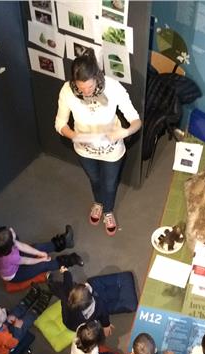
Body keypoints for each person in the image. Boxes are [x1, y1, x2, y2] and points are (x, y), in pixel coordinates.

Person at [54, 48, 142, 235]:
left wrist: (124, 132)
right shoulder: (67, 91)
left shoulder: (113, 88)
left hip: (111, 150)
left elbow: (136, 121)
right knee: (94, 179)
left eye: (90, 87)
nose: (85, 92)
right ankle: (98, 203)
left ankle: (108, 211)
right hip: (84, 149)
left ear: (97, 77)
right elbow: (60, 123)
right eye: (81, 88)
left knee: (109, 184)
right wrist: (74, 136)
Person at [0, 225, 82, 283]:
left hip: (14, 261)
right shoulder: (11, 257)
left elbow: (23, 246)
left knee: (37, 246)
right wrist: (41, 259)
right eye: (10, 232)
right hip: (16, 274)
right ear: (11, 245)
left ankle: (65, 242)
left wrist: (39, 253)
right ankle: (69, 260)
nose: (11, 229)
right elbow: (27, 261)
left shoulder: (6, 246)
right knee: (42, 265)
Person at [48, 267, 113, 334]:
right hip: (81, 326)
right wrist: (106, 325)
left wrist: (66, 272)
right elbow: (104, 314)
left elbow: (68, 284)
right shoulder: (99, 304)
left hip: (69, 323)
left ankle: (50, 283)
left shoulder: (68, 295)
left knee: (62, 290)